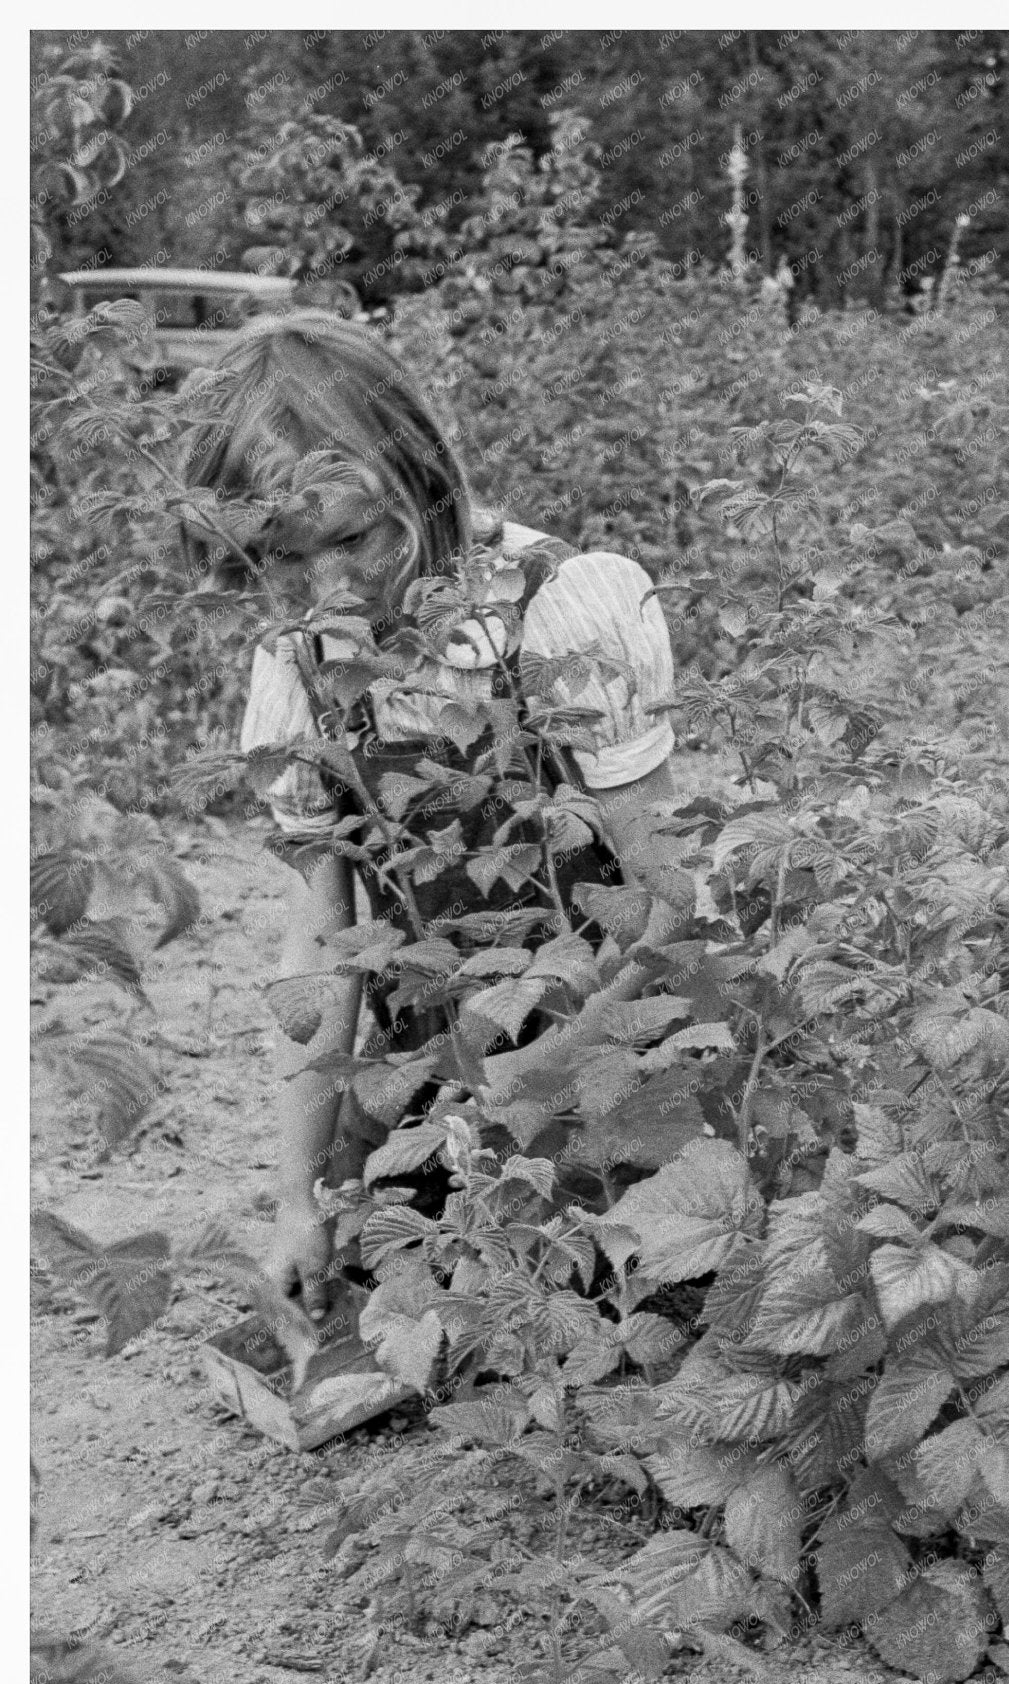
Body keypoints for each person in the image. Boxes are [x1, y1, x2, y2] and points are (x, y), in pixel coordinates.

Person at [181, 312, 685, 1317]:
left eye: (355, 537)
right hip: (443, 1063)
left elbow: (667, 898)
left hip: (613, 1032)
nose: (329, 588)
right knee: (388, 1273)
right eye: (281, 557)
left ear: (420, 480)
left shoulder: (559, 607)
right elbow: (322, 942)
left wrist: (546, 1070)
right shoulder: (299, 666)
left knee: (626, 1276)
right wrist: (299, 1196)